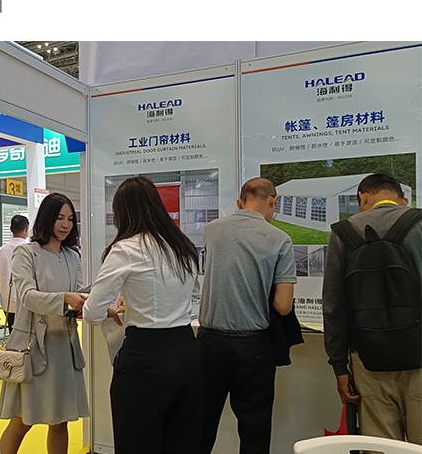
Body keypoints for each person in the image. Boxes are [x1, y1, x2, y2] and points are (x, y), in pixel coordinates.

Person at [81, 176, 202, 454]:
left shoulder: (125, 249)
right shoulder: (183, 246)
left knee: (137, 443)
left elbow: (92, 313)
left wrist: (124, 306)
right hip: (187, 352)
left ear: (123, 213)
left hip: (144, 359)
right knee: (183, 444)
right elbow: (194, 292)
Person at [196, 177, 297, 454]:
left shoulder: (212, 229)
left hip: (209, 344)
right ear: (273, 201)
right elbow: (283, 306)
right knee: (255, 429)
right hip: (253, 348)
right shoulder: (280, 239)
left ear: (240, 203)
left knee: (201, 425)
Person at [322, 173, 422, 443]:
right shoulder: (419, 224)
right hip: (419, 358)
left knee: (380, 446)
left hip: (367, 359)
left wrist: (339, 366)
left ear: (362, 197)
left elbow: (333, 306)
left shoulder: (343, 232)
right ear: (402, 198)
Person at [0, 192, 89, 454]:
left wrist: (96, 301)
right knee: (22, 421)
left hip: (64, 346)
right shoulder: (26, 253)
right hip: (32, 346)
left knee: (61, 420)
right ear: (47, 218)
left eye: (70, 219)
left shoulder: (73, 256)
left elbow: (78, 293)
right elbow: (27, 297)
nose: (65, 224)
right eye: (60, 218)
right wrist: (65, 299)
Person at [0, 214, 29, 329]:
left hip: (8, 304)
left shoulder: (0, 252)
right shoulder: (31, 250)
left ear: (11, 229)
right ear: (27, 229)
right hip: (27, 303)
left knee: (13, 335)